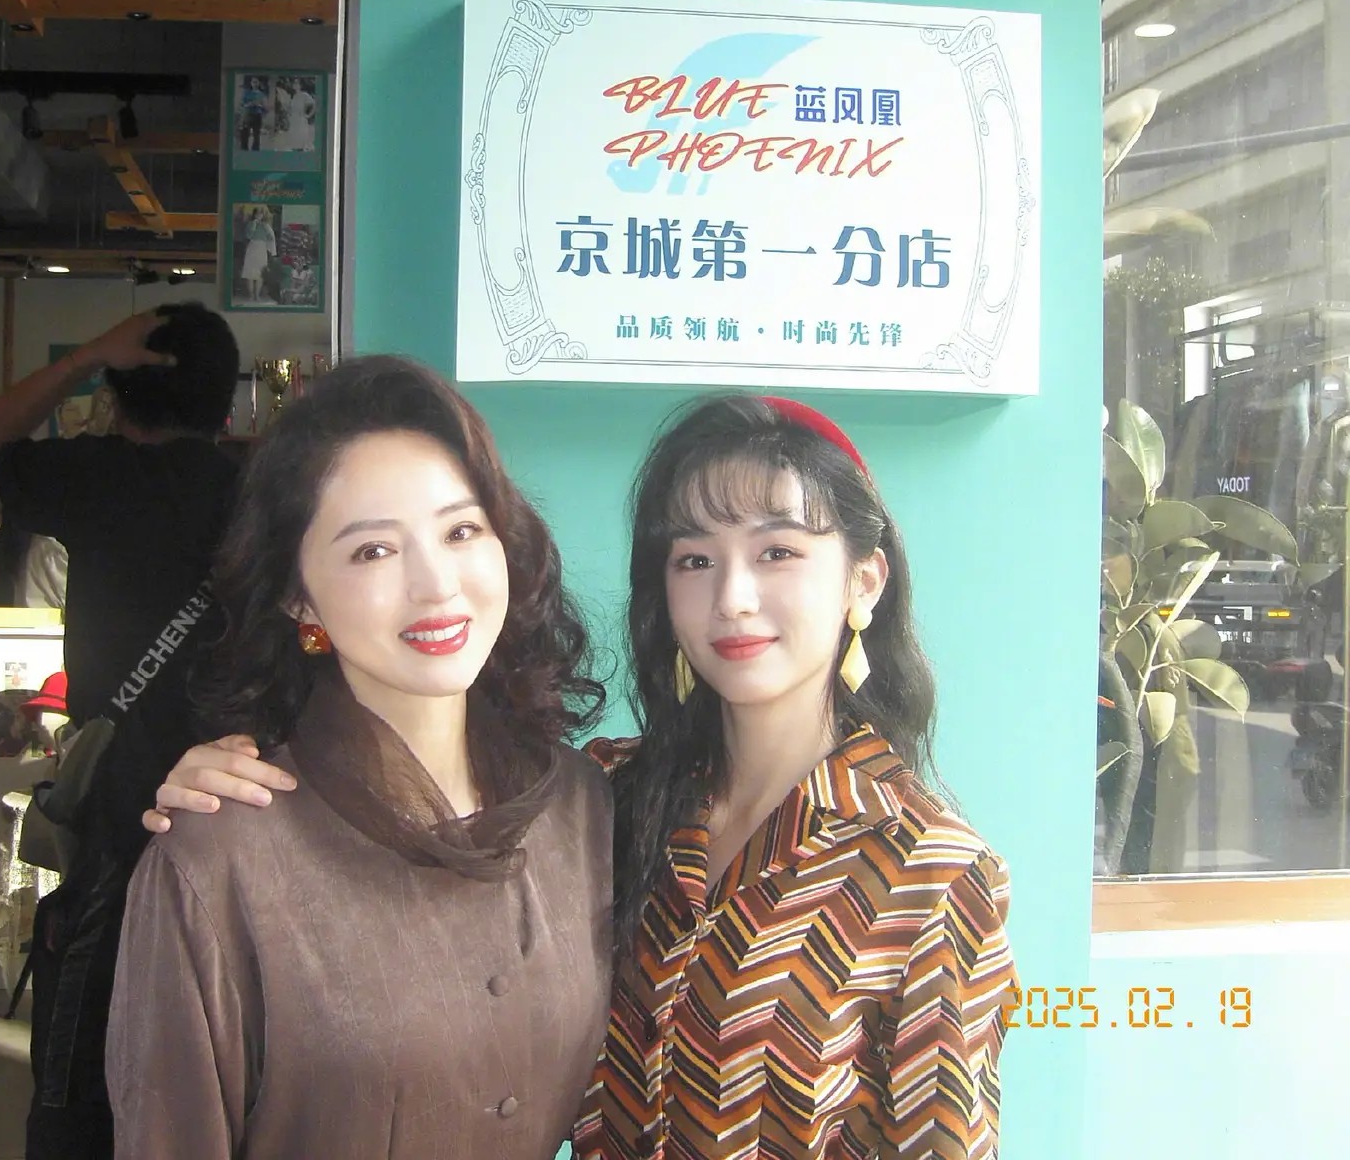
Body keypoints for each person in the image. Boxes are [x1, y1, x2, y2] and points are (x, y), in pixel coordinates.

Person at [150, 393, 1018, 1159]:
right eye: (694, 559)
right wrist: (229, 798)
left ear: (864, 580)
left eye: (779, 552)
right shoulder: (602, 800)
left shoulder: (932, 873)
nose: (733, 597)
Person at [105, 354, 613, 1160]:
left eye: (461, 531)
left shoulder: (583, 809)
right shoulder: (221, 855)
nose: (436, 584)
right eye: (374, 551)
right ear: (297, 595)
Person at [0, 302, 242, 1159]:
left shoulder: (98, 475)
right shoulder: (258, 490)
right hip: (234, 798)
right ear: (225, 402)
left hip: (118, 796)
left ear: (119, 395)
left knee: (86, 1035)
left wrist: (85, 356)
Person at [240, 208, 276, 304]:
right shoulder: (250, 224)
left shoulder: (265, 225)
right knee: (250, 273)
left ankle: (257, 295)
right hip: (252, 247)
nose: (259, 216)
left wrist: (267, 229)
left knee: (260, 273)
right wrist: (254, 225)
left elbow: (270, 238)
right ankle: (251, 295)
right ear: (254, 215)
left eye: (261, 214)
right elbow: (248, 236)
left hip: (262, 249)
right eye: (257, 214)